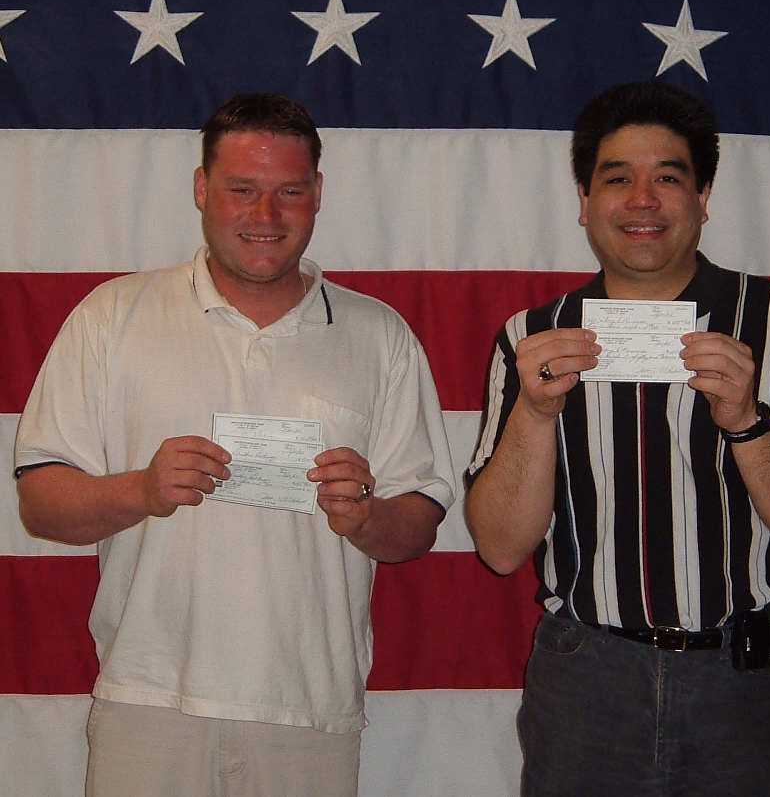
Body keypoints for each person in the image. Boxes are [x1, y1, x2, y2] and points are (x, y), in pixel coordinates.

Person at [15, 93, 455, 797]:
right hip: (147, 703)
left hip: (309, 713)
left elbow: (417, 528)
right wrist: (141, 489)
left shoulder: (380, 336)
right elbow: (41, 502)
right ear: (201, 188)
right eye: (242, 190)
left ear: (318, 194)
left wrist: (366, 516)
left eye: (289, 192)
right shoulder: (112, 316)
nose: (265, 215)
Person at [465, 82, 770, 797]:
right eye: (617, 179)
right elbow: (498, 548)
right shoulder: (531, 338)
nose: (642, 201)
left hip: (744, 682)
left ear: (703, 197)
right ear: (584, 200)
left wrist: (746, 421)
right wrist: (535, 415)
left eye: (668, 178)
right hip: (586, 681)